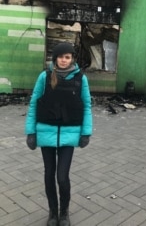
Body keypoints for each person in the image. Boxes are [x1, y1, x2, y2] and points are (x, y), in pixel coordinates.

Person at [25, 42, 93, 226]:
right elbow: (34, 103)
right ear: (55, 58)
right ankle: (53, 213)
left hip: (69, 135)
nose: (64, 60)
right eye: (61, 57)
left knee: (62, 177)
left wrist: (85, 133)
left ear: (72, 59)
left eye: (67, 57)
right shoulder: (44, 77)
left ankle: (64, 213)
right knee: (49, 175)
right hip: (45, 133)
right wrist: (30, 132)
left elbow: (86, 105)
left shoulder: (80, 79)